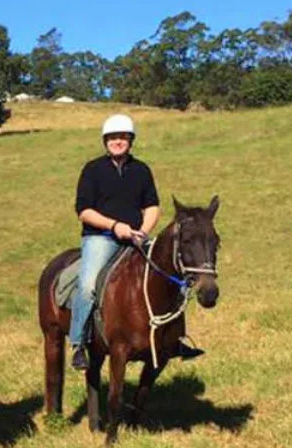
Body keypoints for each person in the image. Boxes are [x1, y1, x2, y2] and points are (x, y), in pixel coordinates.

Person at [69, 114, 204, 370]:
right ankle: (79, 343)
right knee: (87, 286)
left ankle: (176, 339)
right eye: (112, 137)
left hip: (136, 237)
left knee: (173, 276)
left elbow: (152, 205)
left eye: (123, 137)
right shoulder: (92, 169)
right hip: (101, 238)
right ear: (105, 140)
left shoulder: (141, 170)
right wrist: (115, 226)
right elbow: (84, 211)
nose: (117, 141)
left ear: (130, 141)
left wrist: (142, 230)